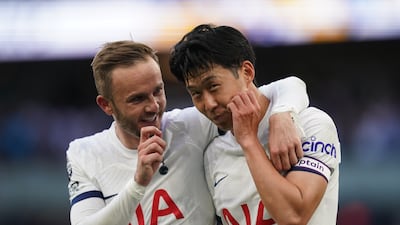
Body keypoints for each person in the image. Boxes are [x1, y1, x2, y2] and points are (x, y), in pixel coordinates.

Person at [66, 40, 310, 225]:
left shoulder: (192, 125)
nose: (153, 106)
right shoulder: (84, 153)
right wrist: (138, 183)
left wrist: (283, 114)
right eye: (137, 99)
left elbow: (285, 86)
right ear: (106, 105)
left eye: (158, 91)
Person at [169, 24, 341, 225]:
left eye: (213, 86)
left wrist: (249, 141)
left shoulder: (312, 125)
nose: (208, 104)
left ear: (247, 72)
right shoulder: (212, 155)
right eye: (196, 94)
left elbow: (294, 216)